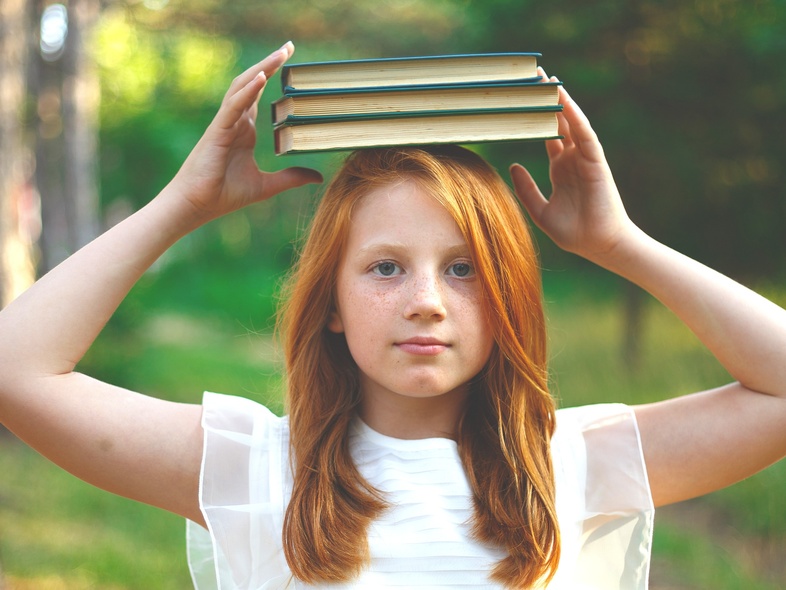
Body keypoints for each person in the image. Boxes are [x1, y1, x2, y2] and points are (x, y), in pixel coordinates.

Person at [0, 40, 785, 590]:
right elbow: (18, 372)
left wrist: (621, 244)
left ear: (508, 291)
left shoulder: (570, 462)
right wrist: (181, 204)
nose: (425, 301)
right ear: (332, 303)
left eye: (464, 269)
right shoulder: (259, 468)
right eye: (384, 267)